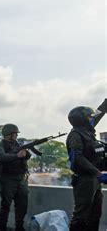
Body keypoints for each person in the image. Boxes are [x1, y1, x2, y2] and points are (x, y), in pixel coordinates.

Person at [66, 99, 106, 231]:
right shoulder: (75, 135)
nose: (92, 118)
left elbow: (99, 113)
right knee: (81, 216)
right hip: (85, 179)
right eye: (89, 116)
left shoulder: (88, 131)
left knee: (95, 214)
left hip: (94, 179)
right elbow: (77, 157)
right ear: (82, 119)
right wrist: (97, 172)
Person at [0, 124, 31, 231]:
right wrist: (17, 155)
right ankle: (2, 227)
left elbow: (27, 156)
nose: (16, 135)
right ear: (8, 134)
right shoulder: (0, 145)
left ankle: (19, 227)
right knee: (5, 206)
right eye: (14, 133)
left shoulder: (18, 144)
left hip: (21, 178)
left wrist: (26, 153)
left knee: (22, 204)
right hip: (8, 178)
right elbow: (1, 157)